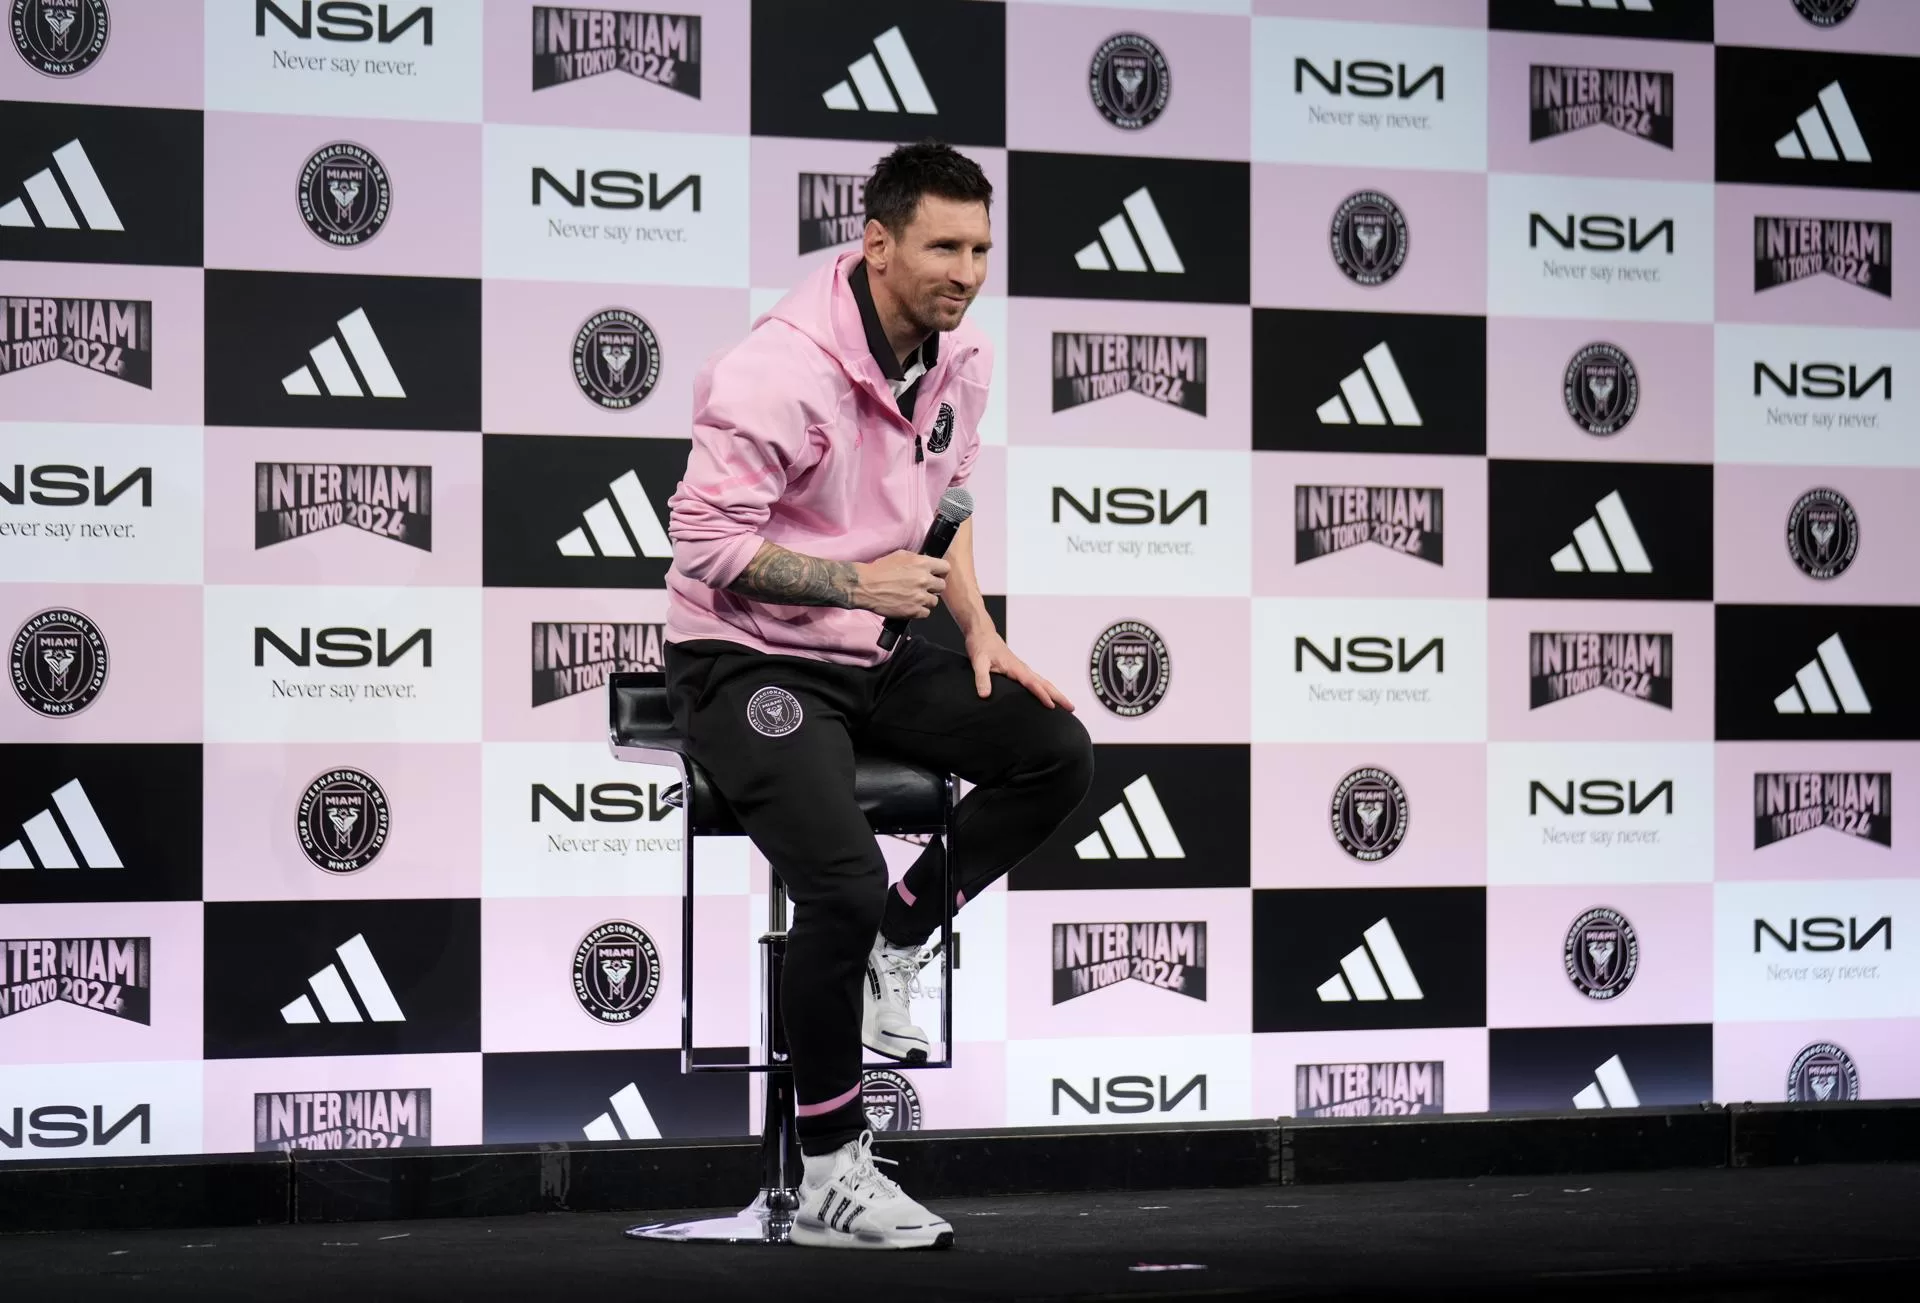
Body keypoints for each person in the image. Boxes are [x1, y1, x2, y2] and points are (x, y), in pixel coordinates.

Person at [663, 140, 1094, 1250]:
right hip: (748, 659)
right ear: (878, 243)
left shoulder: (963, 357)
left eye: (982, 247)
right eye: (944, 246)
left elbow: (945, 508)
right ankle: (828, 1173)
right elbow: (704, 543)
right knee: (841, 881)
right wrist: (854, 580)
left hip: (876, 648)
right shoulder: (780, 369)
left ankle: (903, 942)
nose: (966, 268)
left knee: (1056, 749)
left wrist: (983, 632)